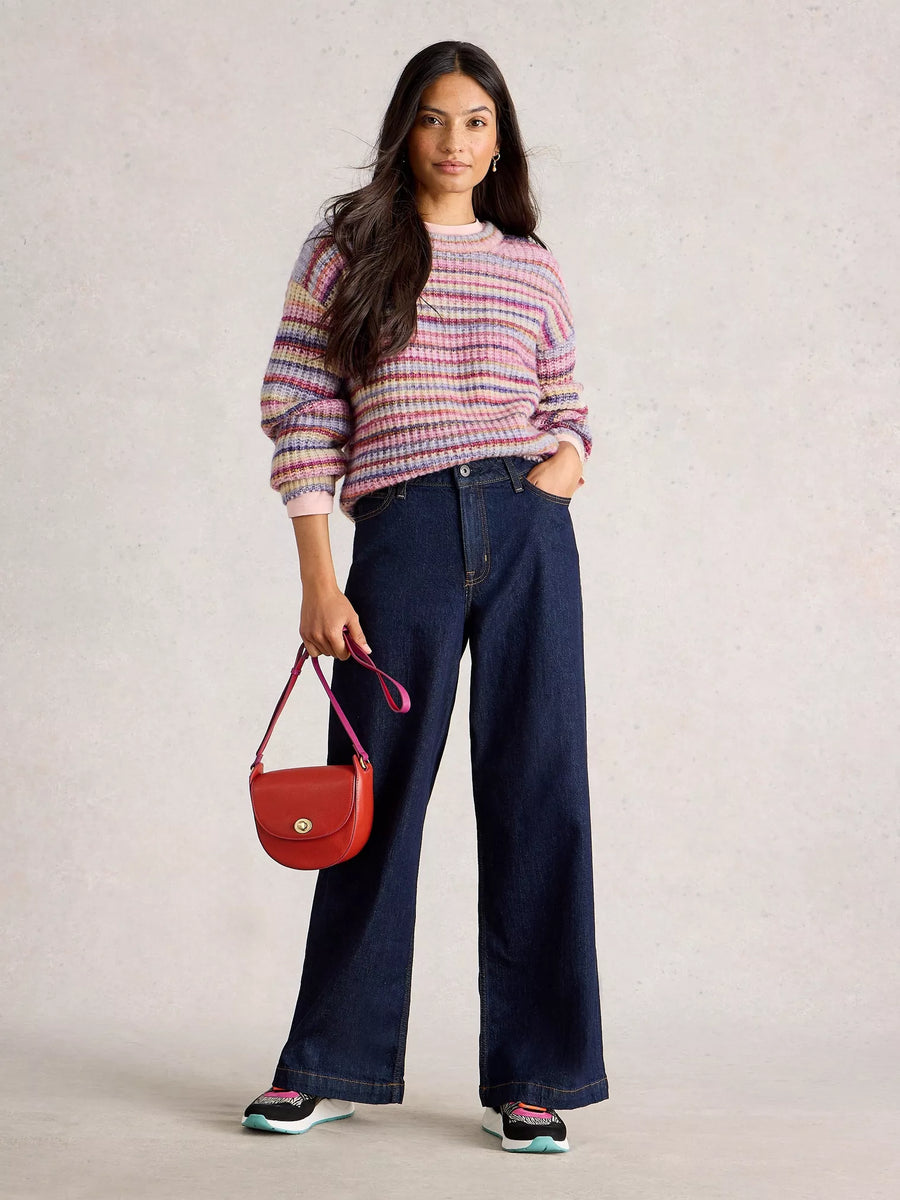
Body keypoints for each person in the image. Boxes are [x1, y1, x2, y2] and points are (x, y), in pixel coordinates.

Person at [242, 40, 610, 1154]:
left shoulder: (528, 262)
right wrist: (317, 573)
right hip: (400, 530)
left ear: (502, 142)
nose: (456, 142)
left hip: (527, 528)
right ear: (406, 128)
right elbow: (301, 403)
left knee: (541, 790)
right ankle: (328, 1062)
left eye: (478, 122)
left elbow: (566, 399)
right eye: (436, 118)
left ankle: (536, 1077)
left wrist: (564, 468)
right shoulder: (346, 247)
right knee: (375, 792)